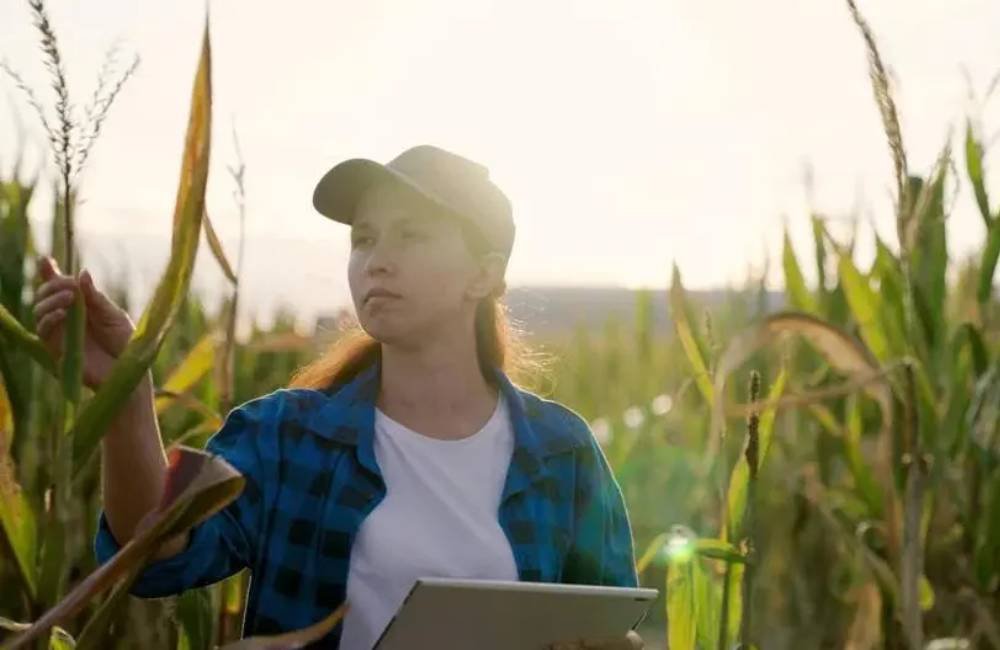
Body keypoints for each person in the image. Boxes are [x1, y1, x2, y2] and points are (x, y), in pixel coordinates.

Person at [33, 145, 643, 649]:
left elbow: (613, 625)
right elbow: (157, 556)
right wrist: (126, 388)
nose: (377, 261)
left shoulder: (563, 454)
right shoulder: (284, 436)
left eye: (410, 236)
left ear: (484, 275)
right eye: (364, 239)